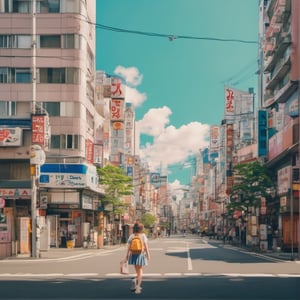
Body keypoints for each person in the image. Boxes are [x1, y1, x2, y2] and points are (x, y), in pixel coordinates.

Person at [125, 222, 150, 294]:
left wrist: (127, 256)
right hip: (141, 254)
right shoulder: (143, 235)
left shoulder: (132, 236)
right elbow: (146, 246)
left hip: (133, 254)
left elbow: (129, 247)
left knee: (137, 270)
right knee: (140, 271)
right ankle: (138, 287)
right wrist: (148, 255)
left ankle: (135, 280)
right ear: (141, 229)